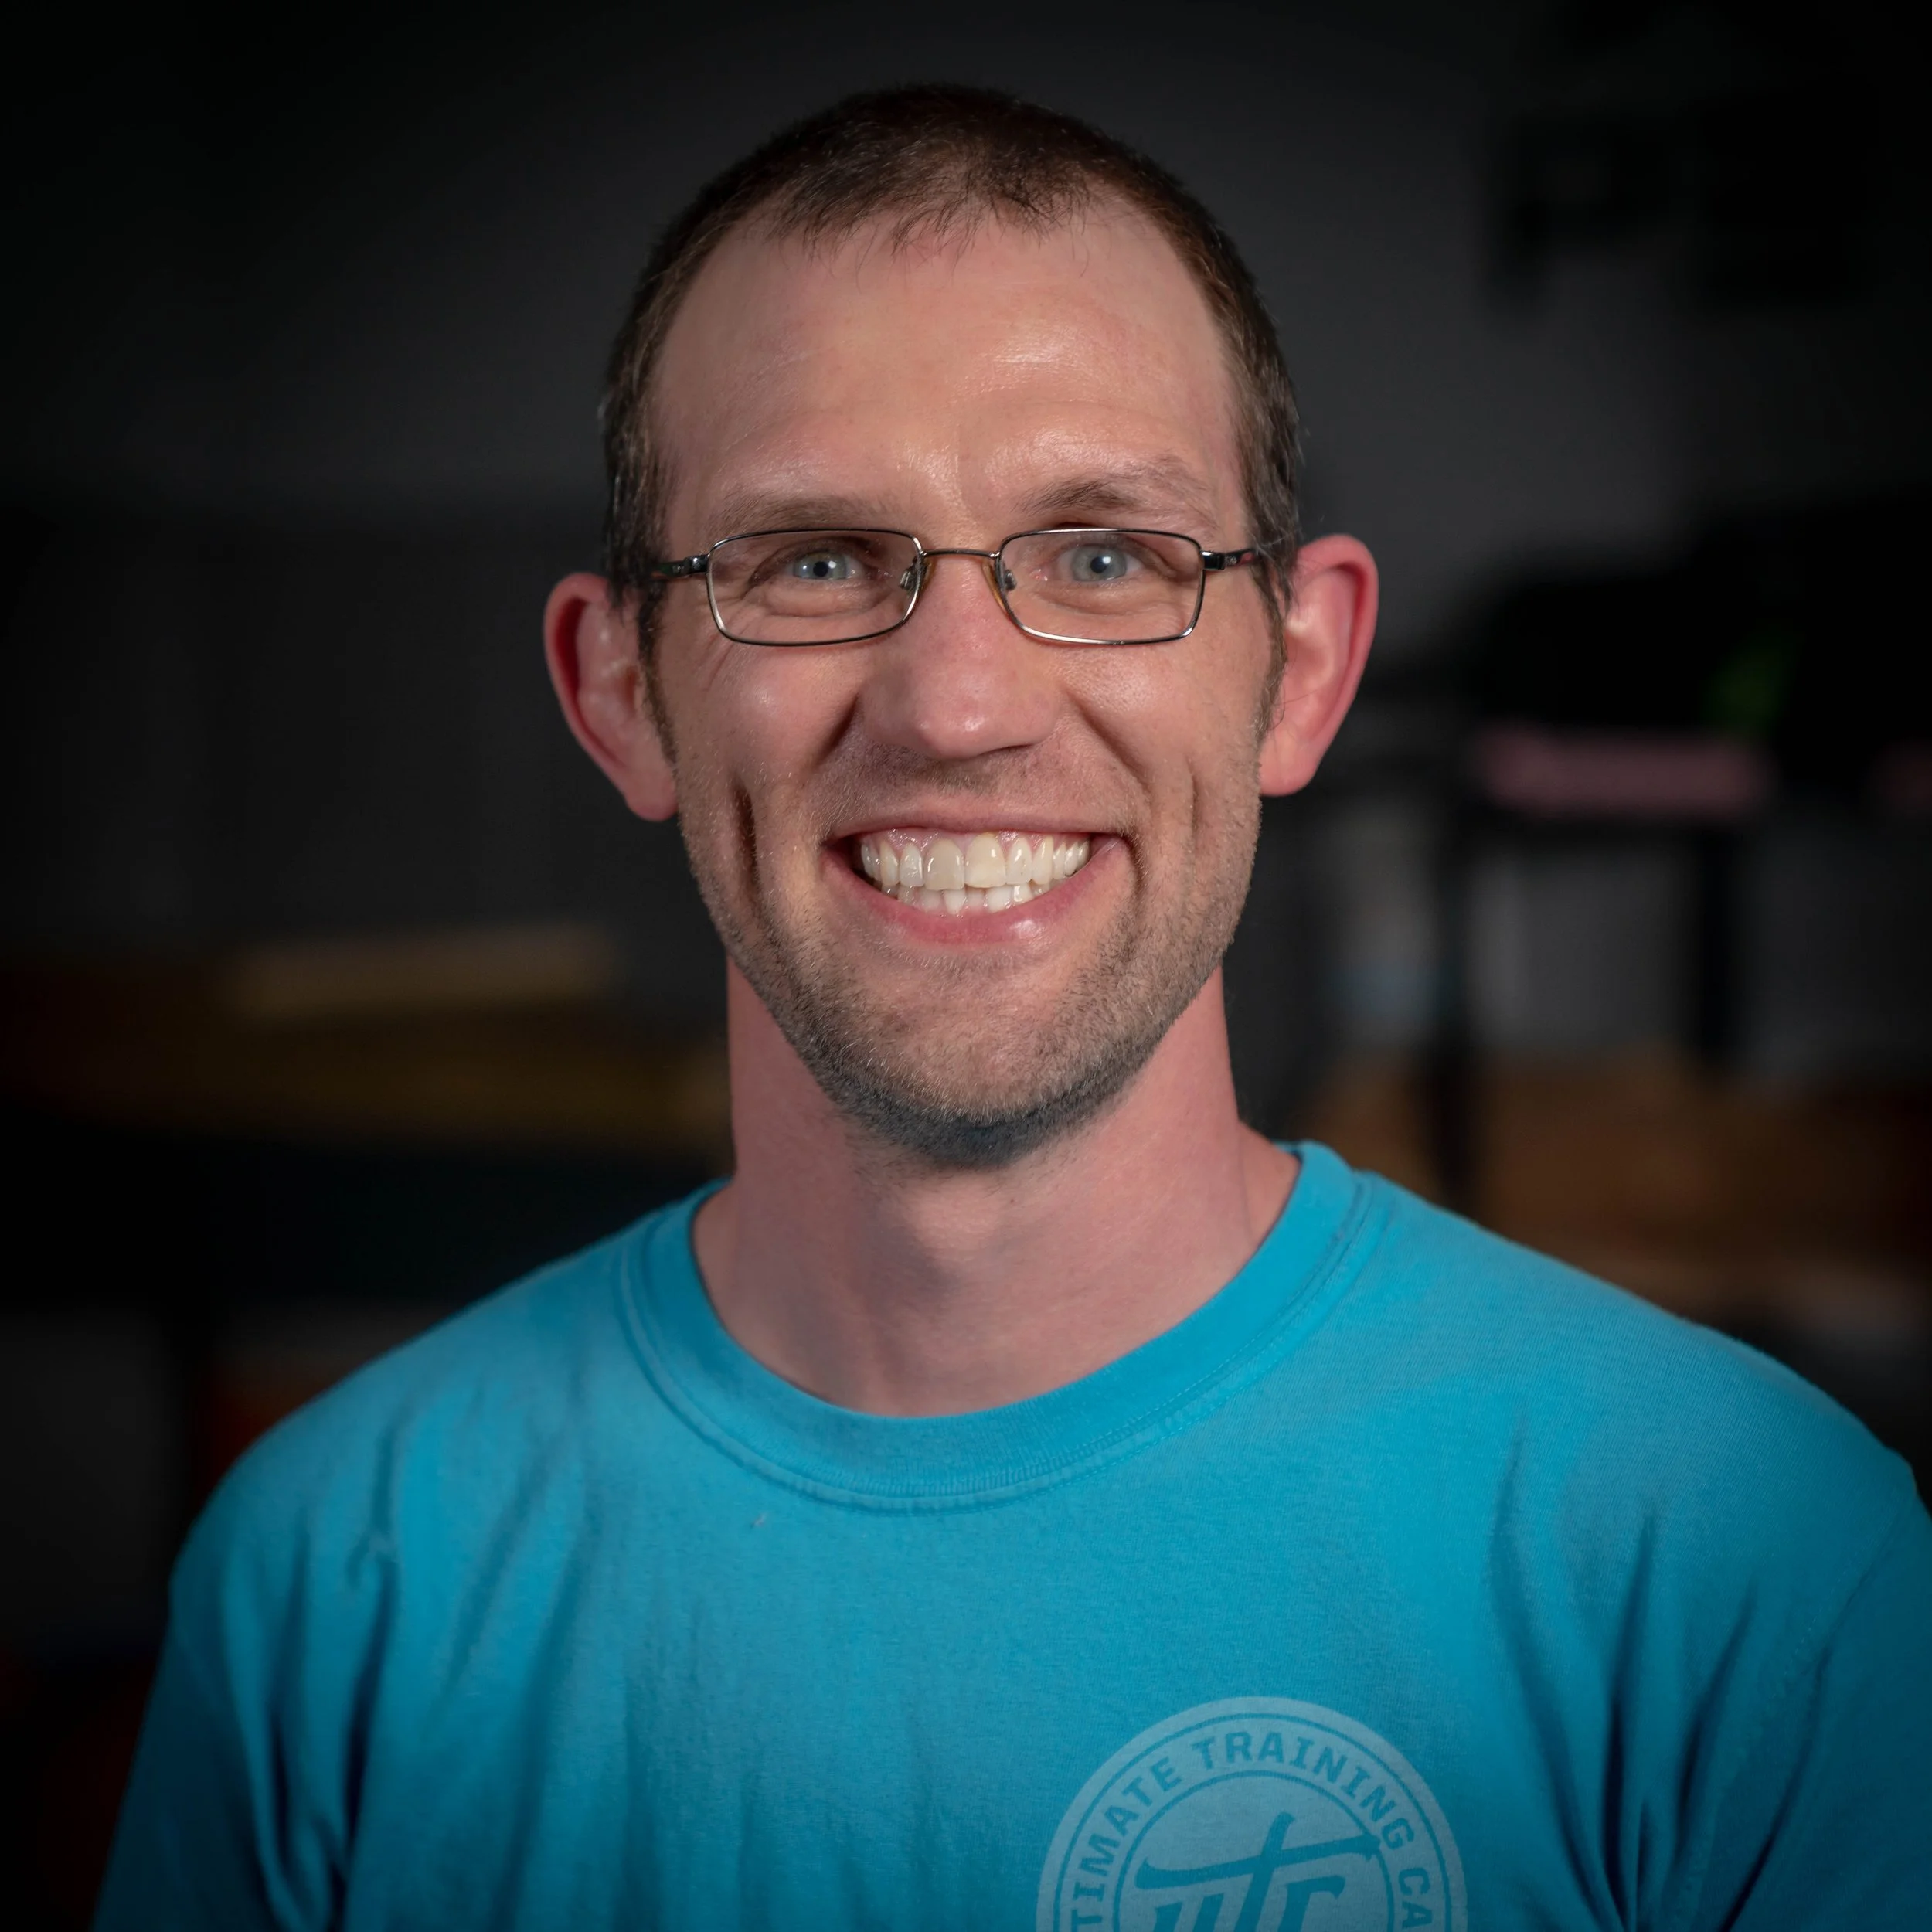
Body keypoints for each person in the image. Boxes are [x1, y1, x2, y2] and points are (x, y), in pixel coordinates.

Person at [98, 86, 1929, 1931]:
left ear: (1298, 677)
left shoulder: (1746, 1561)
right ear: (620, 690)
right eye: (812, 558)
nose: (958, 704)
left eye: (1105, 556)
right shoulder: (334, 1581)